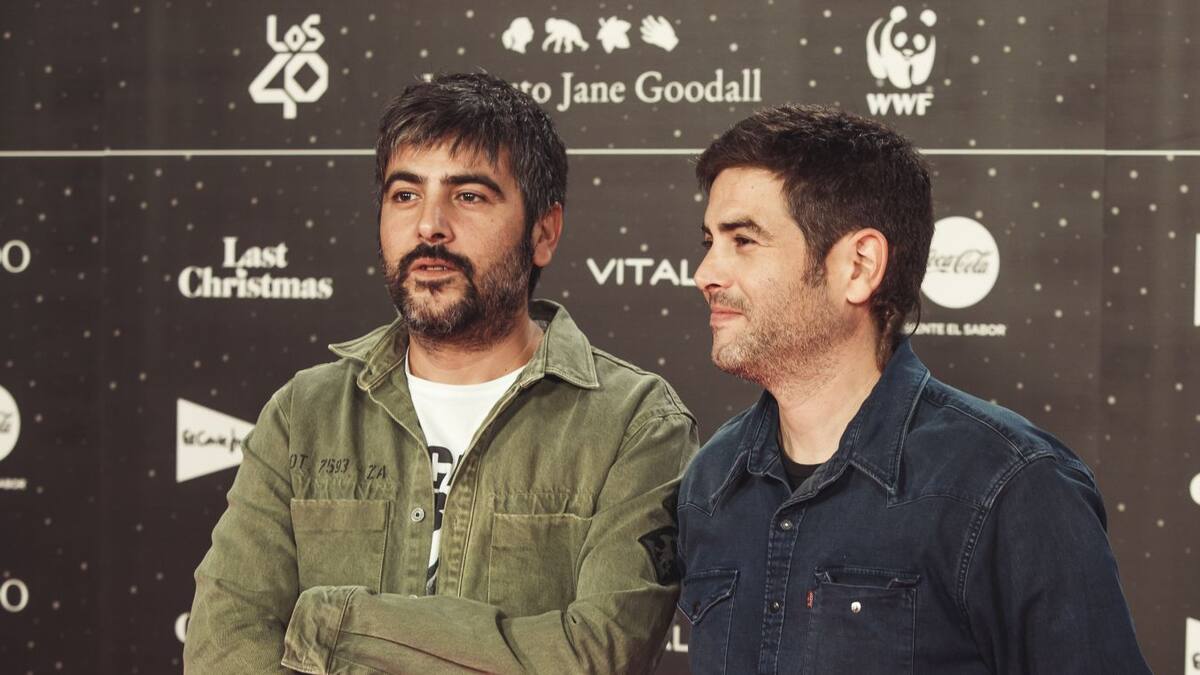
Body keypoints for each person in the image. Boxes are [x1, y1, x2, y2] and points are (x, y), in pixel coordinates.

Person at [183, 73, 697, 675]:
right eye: (405, 195)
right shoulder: (304, 413)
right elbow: (222, 649)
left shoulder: (635, 424)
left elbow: (595, 658)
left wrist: (335, 625)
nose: (429, 226)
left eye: (469, 196)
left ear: (544, 232)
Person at [676, 104, 1150, 673]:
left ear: (859, 266)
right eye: (709, 241)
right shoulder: (711, 480)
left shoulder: (1011, 487)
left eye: (744, 241)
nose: (705, 273)